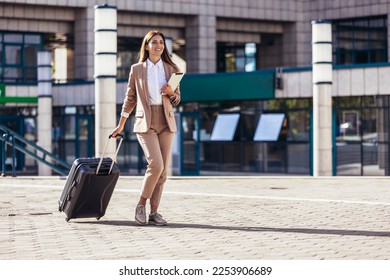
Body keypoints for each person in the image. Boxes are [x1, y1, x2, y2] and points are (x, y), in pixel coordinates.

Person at [111, 30, 181, 226]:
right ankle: (141, 205)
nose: (158, 45)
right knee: (156, 165)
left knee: (163, 171)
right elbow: (130, 99)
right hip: (146, 121)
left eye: (161, 42)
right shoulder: (137, 69)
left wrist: (170, 93)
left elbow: (177, 99)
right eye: (154, 42)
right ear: (147, 46)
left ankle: (154, 212)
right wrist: (120, 124)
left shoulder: (172, 68)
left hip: (166, 122)